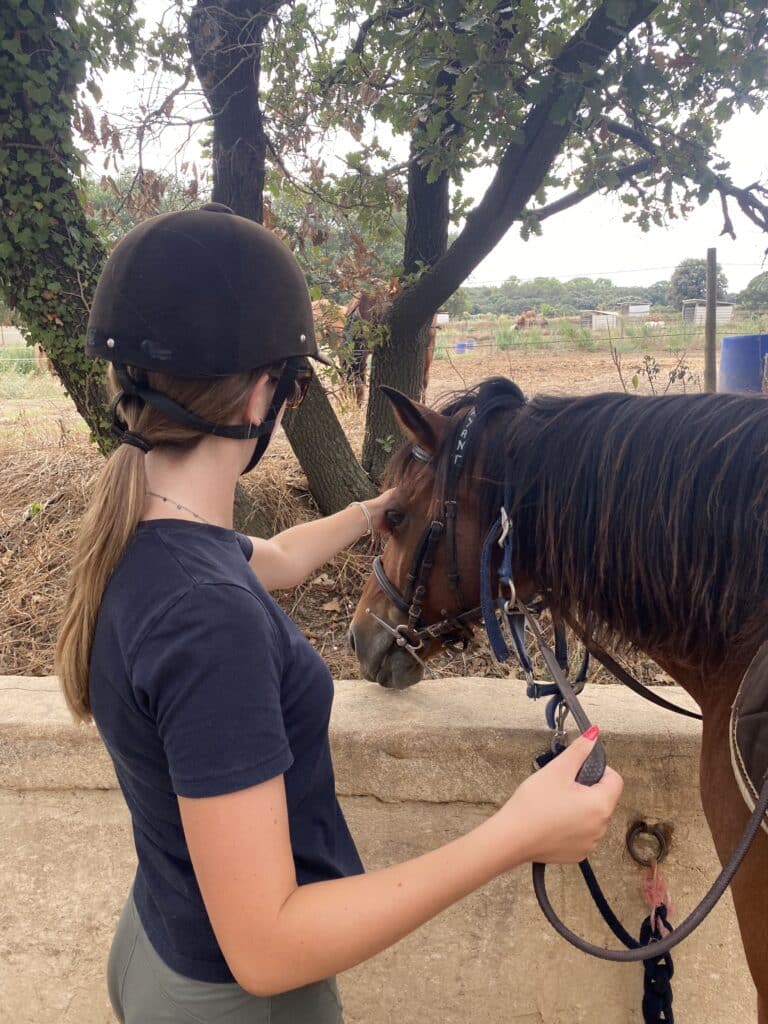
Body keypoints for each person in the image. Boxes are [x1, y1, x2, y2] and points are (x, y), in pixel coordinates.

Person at [55, 203, 623, 1024]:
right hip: (232, 999)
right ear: (262, 398)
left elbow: (277, 558)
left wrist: (384, 507)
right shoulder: (210, 622)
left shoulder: (149, 541)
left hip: (157, 943)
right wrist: (515, 835)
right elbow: (268, 948)